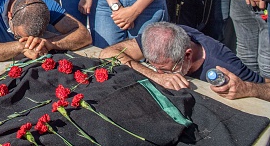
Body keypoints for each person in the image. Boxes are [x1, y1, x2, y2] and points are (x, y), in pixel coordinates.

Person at [99, 22, 270, 101]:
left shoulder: (225, 65)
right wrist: (155, 75)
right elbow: (107, 53)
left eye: (166, 70)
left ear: (187, 55)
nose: (160, 73)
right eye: (153, 66)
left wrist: (249, 89)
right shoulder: (163, 38)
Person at [0, 0, 91, 64]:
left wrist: (51, 43)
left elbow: (84, 35)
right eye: (19, 37)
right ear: (9, 16)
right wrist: (21, 47)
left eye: (35, 38)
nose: (31, 42)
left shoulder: (47, 5)